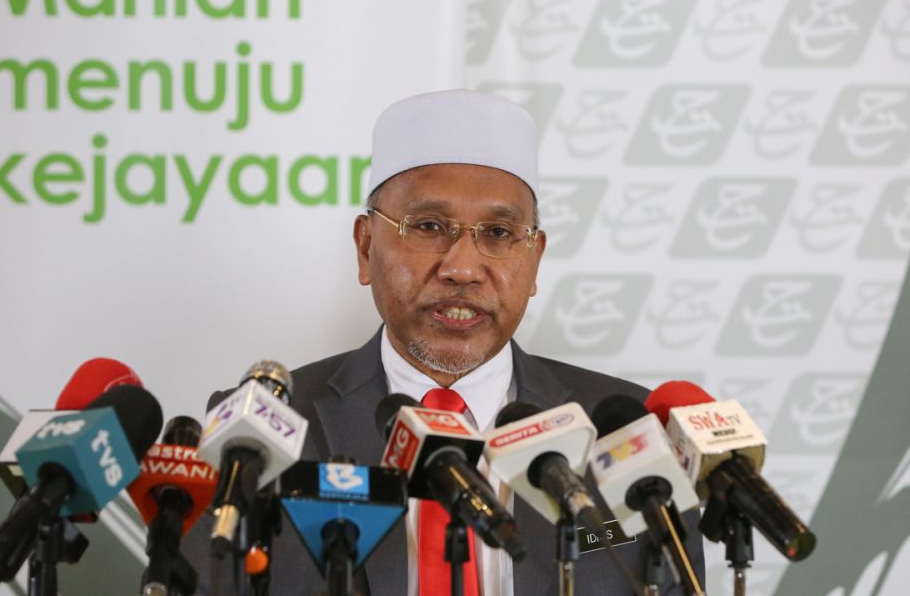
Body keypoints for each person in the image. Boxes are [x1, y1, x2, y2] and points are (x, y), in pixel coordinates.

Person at [183, 89, 705, 595]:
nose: (462, 268)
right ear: (366, 248)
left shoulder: (631, 434)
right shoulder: (262, 432)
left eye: (499, 234)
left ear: (535, 259)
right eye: (429, 226)